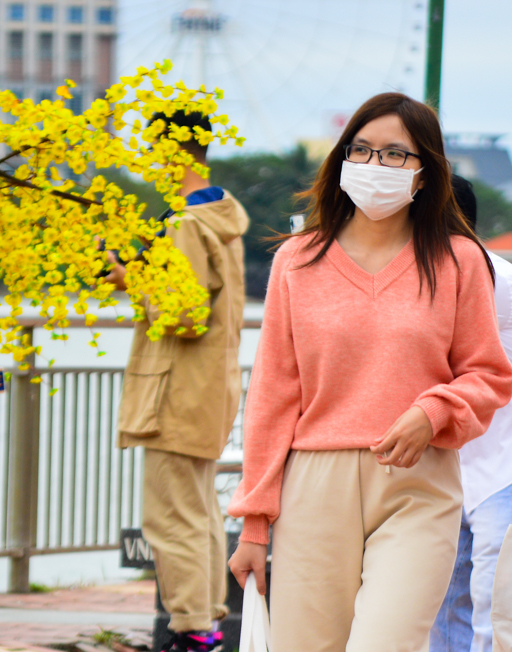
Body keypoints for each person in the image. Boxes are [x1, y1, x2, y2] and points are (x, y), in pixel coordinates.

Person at [226, 93, 512, 652]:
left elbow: (488, 375)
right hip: (312, 485)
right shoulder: (297, 260)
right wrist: (254, 525)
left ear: (427, 172)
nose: (374, 165)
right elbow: (273, 395)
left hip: (417, 485)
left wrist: (433, 413)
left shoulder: (460, 261)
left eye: (394, 155)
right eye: (360, 150)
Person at [110, 110, 250, 652]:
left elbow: (183, 314)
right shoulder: (218, 216)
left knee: (171, 517)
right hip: (207, 387)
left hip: (177, 389)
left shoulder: (188, 225)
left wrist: (131, 278)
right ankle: (206, 624)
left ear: (171, 153)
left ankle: (193, 630)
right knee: (199, 511)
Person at [430, 176, 512, 652]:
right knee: (440, 608)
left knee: (496, 614)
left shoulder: (492, 277)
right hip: (463, 466)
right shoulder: (428, 276)